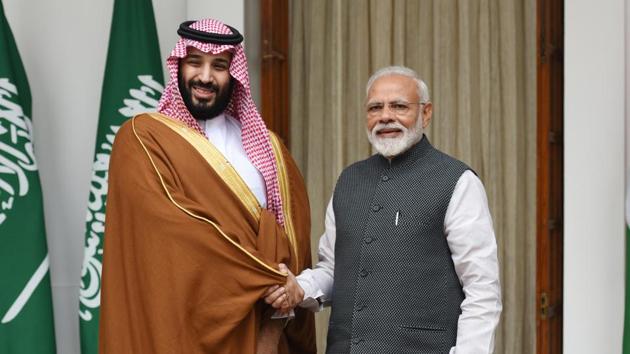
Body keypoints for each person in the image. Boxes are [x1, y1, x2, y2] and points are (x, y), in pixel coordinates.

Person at [99, 19, 315, 354]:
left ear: (234, 74)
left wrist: (281, 304)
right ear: (179, 66)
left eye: (219, 66)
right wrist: (269, 277)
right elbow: (179, 235)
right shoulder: (143, 138)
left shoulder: (269, 150)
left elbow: (292, 234)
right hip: (180, 325)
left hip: (264, 326)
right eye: (194, 62)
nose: (205, 77)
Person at [265, 66, 502, 354]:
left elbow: (482, 290)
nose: (385, 116)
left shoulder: (458, 181)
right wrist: (299, 288)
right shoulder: (348, 180)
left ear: (426, 114)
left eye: (399, 106)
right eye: (375, 107)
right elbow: (334, 270)